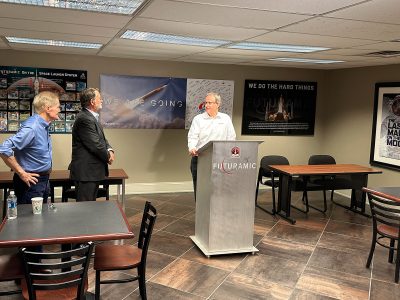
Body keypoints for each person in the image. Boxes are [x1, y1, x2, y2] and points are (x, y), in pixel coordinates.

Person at [0, 91, 60, 204]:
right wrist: (22, 173)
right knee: (30, 220)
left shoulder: (43, 125)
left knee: (40, 218)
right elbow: (4, 148)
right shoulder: (32, 128)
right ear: (48, 108)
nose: (59, 110)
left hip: (43, 179)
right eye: (58, 107)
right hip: (31, 183)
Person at [187, 92, 236, 200]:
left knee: (219, 188)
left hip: (220, 159)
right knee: (200, 188)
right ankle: (201, 212)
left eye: (210, 103)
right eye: (206, 103)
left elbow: (231, 137)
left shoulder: (225, 118)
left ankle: (218, 211)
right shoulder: (198, 119)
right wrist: (192, 148)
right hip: (200, 158)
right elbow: (192, 136)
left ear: (217, 104)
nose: (207, 105)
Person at [69, 88, 115, 201]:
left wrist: (109, 150)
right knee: (85, 209)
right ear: (92, 102)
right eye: (100, 98)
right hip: (86, 173)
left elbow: (102, 140)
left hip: (91, 172)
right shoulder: (85, 119)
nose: (102, 101)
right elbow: (95, 145)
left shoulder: (91, 117)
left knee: (90, 208)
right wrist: (108, 157)